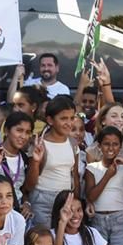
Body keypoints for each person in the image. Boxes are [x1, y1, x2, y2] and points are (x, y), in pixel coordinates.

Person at [25, 96, 80, 227]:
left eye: (72, 118)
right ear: (50, 120)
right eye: (63, 118)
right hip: (42, 199)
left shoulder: (73, 143)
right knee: (45, 237)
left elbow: (75, 175)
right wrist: (35, 161)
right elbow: (29, 184)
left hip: (66, 198)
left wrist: (76, 199)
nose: (69, 123)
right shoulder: (39, 144)